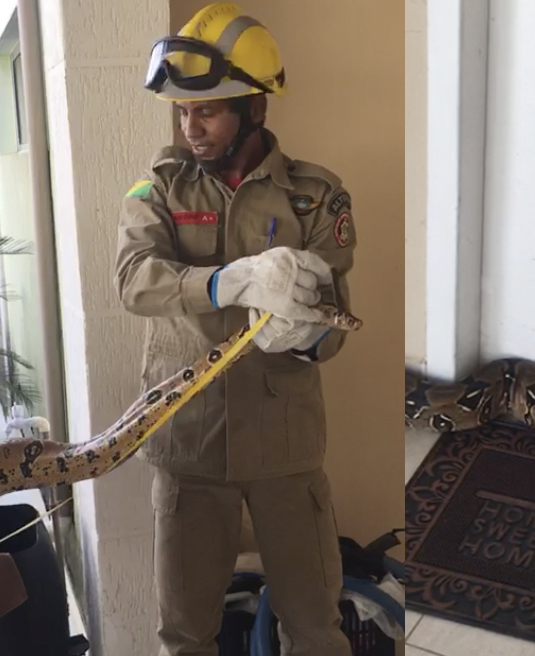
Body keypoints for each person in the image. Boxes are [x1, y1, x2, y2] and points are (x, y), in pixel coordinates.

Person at [113, 4, 356, 655]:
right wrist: (227, 282)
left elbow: (335, 323)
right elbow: (134, 279)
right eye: (182, 112)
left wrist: (303, 335)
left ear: (255, 107)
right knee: (185, 634)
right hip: (189, 443)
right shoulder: (157, 189)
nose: (191, 127)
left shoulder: (316, 196)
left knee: (313, 627)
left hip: (285, 446)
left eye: (208, 110)